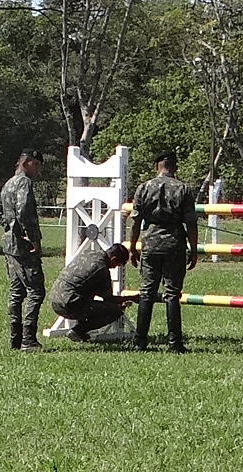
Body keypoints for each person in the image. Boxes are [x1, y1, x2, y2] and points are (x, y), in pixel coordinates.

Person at [128, 149, 198, 352]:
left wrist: (133, 247)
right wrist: (194, 250)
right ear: (174, 167)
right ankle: (174, 343)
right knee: (172, 293)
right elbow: (191, 223)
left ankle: (140, 341)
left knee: (147, 292)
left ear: (156, 166)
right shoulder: (183, 189)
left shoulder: (144, 188)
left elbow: (135, 221)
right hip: (174, 244)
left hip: (150, 244)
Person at [0, 150, 46, 350]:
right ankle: (28, 339)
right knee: (35, 291)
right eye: (37, 165)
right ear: (28, 163)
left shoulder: (8, 183)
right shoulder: (23, 183)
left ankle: (15, 338)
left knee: (16, 291)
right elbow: (24, 210)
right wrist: (31, 238)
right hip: (23, 246)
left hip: (9, 245)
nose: (39, 170)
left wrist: (9, 228)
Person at [50, 241, 129, 338]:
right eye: (117, 265)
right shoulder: (101, 268)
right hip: (69, 305)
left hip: (55, 300)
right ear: (113, 259)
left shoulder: (89, 254)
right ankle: (78, 330)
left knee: (86, 298)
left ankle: (80, 330)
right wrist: (131, 298)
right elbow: (109, 298)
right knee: (115, 310)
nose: (115, 268)